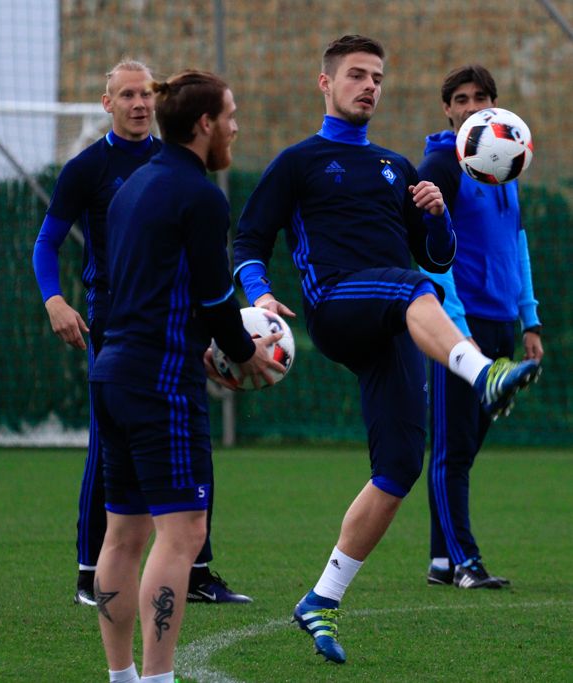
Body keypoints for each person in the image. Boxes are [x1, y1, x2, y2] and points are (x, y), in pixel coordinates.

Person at [233, 35, 541, 664]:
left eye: (377, 76)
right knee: (412, 288)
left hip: (393, 318)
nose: (369, 85)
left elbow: (437, 257)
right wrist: (260, 295)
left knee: (399, 468)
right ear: (326, 84)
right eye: (355, 75)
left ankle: (321, 598)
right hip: (338, 306)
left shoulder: (397, 167)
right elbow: (248, 239)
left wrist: (433, 215)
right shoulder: (299, 161)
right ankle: (483, 374)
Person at [32, 60, 251, 608]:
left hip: (174, 323)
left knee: (192, 446)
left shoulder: (170, 165)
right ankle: (91, 570)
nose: (138, 103)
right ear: (106, 103)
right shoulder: (89, 169)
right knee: (110, 449)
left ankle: (196, 571)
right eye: (126, 94)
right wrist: (55, 299)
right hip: (117, 321)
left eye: (146, 94)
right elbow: (46, 243)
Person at [89, 70, 284, 683]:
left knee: (122, 535)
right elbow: (214, 292)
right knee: (183, 534)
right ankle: (158, 679)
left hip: (114, 371)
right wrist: (241, 351)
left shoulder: (133, 186)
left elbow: (154, 289)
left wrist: (205, 343)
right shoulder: (201, 196)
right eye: (230, 115)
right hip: (160, 383)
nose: (235, 127)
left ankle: (122, 677)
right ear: (204, 125)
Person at [419, 65, 544, 590]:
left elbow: (515, 246)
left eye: (482, 97)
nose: (472, 106)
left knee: (465, 448)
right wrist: (457, 327)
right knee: (452, 448)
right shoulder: (443, 163)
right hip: (458, 331)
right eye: (462, 99)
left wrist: (529, 318)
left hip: (500, 325)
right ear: (448, 109)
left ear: (495, 104)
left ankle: (441, 561)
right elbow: (429, 253)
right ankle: (466, 563)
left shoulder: (504, 161)